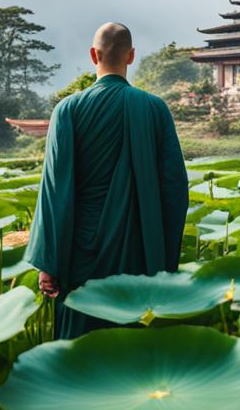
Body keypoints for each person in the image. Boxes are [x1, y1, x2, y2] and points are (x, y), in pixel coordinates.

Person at [25, 22, 189, 339]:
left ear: (93, 55)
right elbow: (175, 190)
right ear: (131, 56)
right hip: (138, 249)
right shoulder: (155, 109)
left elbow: (55, 192)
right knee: (132, 345)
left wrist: (49, 262)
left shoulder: (67, 110)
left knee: (80, 349)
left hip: (79, 252)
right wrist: (163, 258)